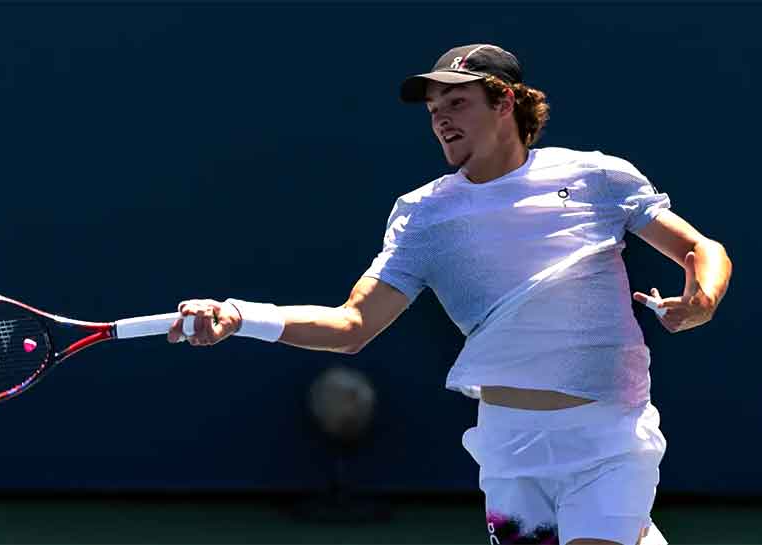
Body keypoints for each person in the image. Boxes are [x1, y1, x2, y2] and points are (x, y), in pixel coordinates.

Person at [167, 44, 732, 545]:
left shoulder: (596, 178)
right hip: (509, 451)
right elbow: (352, 326)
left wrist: (701, 299)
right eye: (434, 111)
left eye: (457, 103)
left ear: (505, 101)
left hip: (609, 438)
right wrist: (241, 315)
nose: (441, 120)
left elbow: (702, 249)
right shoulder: (425, 215)